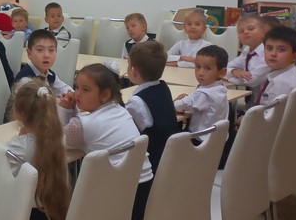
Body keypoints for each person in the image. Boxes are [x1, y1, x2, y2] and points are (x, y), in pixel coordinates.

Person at [58, 63, 153, 220]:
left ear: (105, 94)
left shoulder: (85, 125)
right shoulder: (120, 110)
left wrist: (65, 108)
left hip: (114, 190)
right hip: (143, 184)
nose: (77, 94)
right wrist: (73, 110)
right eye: (76, 87)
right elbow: (76, 130)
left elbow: (59, 141)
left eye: (85, 90)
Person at [8, 79, 71, 220]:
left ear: (16, 113)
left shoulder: (19, 146)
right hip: (57, 208)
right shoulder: (60, 138)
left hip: (28, 213)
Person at [124, 40, 179, 174]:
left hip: (150, 165)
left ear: (133, 71)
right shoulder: (163, 87)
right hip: (171, 158)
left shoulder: (136, 102)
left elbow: (128, 133)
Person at [173, 45, 229, 143]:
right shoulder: (220, 88)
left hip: (199, 140)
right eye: (198, 67)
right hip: (217, 139)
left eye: (207, 68)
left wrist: (176, 101)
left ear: (222, 72)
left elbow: (179, 106)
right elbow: (196, 102)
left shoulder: (204, 94)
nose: (200, 72)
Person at [254, 26, 296, 108]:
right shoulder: (284, 73)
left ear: (294, 56)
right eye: (269, 48)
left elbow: (272, 113)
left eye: (281, 50)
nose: (273, 54)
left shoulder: (282, 82)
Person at [226, 15, 269, 106]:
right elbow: (226, 66)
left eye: (251, 28)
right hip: (252, 103)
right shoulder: (246, 51)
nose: (245, 32)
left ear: (264, 31)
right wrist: (234, 71)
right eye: (241, 31)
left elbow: (252, 80)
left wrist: (230, 78)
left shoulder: (267, 52)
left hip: (267, 105)